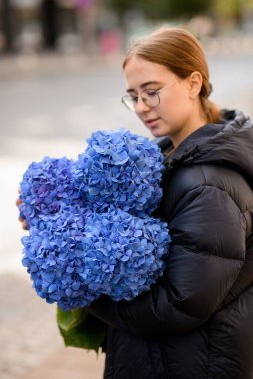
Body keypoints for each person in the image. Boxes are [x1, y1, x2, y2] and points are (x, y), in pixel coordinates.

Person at [18, 27, 253, 378]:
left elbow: (176, 305)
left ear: (193, 83)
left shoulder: (208, 182)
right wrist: (57, 221)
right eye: (133, 96)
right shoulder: (168, 158)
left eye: (152, 92)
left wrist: (77, 275)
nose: (142, 107)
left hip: (191, 363)